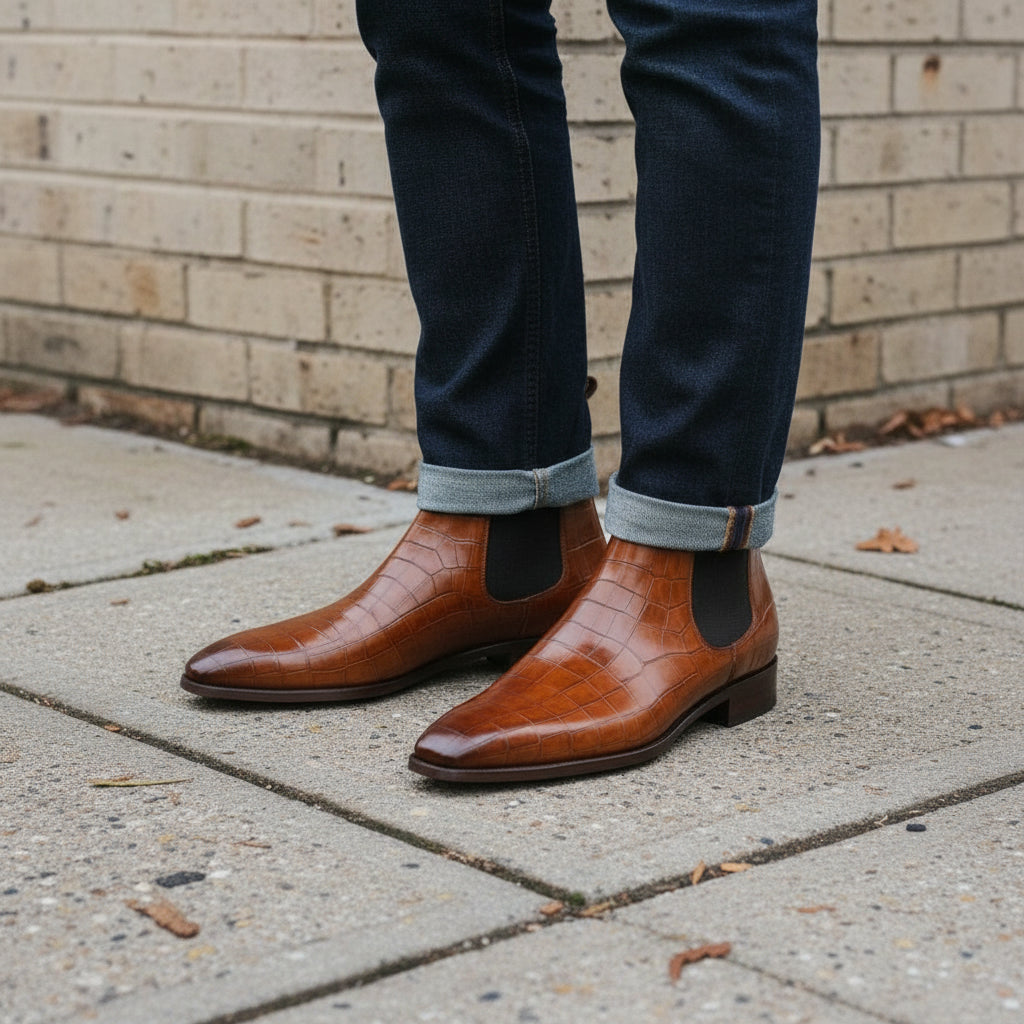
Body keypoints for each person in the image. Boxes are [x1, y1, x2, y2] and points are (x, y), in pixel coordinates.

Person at [181, 0, 820, 784]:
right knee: (437, 21)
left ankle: (697, 568)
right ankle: (504, 528)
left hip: (695, 575)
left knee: (705, 14)